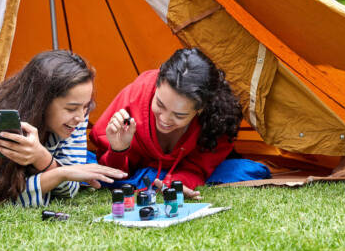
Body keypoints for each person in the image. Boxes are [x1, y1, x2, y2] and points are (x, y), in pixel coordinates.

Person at [0, 49, 126, 206]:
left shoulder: (75, 118)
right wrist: (60, 173)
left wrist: (42, 158)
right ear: (41, 102)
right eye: (71, 108)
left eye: (86, 107)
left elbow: (69, 190)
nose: (81, 118)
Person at [90, 48, 243, 200]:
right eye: (160, 104)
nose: (164, 119)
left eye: (179, 115)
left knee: (241, 169)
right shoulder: (131, 101)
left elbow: (197, 168)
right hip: (131, 169)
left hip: (174, 172)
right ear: (156, 86)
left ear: (201, 109)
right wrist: (118, 150)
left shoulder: (216, 122)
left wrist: (178, 183)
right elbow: (109, 173)